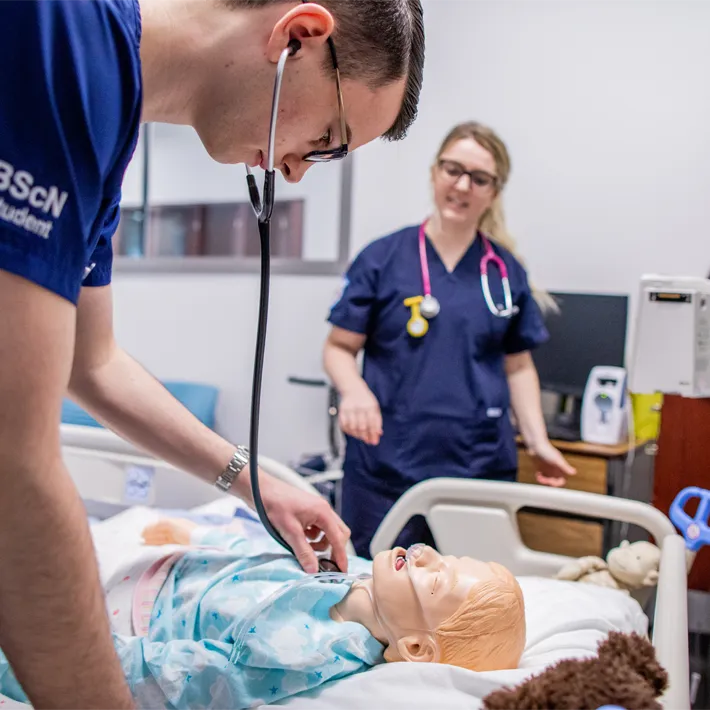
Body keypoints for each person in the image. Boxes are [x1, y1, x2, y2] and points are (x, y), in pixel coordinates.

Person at [0, 0, 425, 707]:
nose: (296, 172)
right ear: (299, 37)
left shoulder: (105, 132)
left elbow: (92, 362)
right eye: (328, 138)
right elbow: (14, 458)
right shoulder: (62, 35)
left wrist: (251, 480)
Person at [323, 121, 576, 558]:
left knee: (473, 604)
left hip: (477, 470)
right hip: (387, 469)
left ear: (494, 192)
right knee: (380, 596)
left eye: (479, 178)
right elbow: (339, 348)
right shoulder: (383, 258)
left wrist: (538, 441)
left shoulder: (504, 271)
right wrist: (353, 389)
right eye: (452, 170)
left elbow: (518, 367)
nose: (462, 185)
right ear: (434, 173)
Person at [0, 515, 526, 709]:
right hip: (177, 562)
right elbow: (265, 555)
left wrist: (31, 663)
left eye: (437, 579)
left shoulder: (304, 653)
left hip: (134, 611)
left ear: (414, 648)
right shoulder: (362, 574)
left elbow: (177, 675)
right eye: (446, 556)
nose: (428, 554)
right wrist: (200, 535)